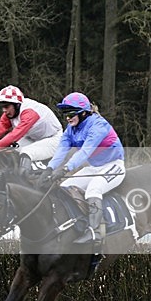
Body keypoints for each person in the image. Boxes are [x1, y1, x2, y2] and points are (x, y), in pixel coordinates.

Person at [38, 92, 125, 246]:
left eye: (71, 114)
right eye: (65, 114)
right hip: (95, 167)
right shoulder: (71, 129)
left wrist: (65, 169)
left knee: (94, 189)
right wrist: (49, 169)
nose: (68, 118)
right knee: (64, 188)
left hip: (114, 166)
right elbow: (61, 150)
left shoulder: (98, 125)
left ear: (83, 113)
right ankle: (77, 223)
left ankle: (96, 232)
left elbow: (85, 152)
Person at [0, 85, 63, 171]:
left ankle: (29, 177)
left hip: (53, 139)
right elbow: (2, 125)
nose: (4, 110)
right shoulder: (13, 110)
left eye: (6, 106)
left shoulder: (29, 112)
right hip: (33, 138)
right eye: (2, 107)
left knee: (26, 152)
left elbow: (16, 134)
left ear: (17, 105)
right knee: (9, 150)